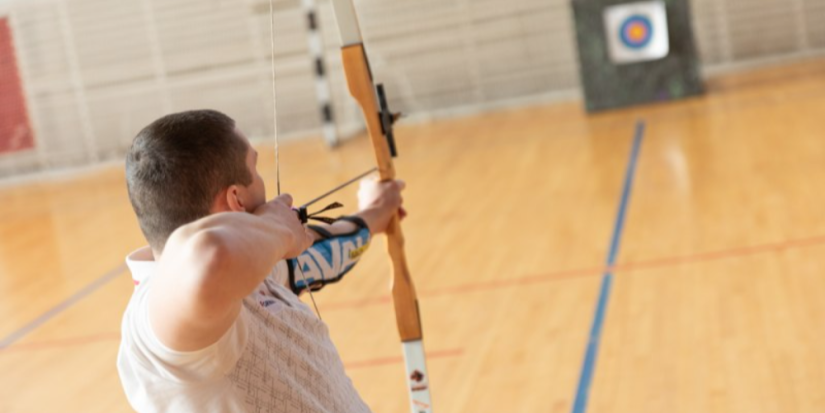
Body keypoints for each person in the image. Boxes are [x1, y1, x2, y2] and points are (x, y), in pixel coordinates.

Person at [117, 109, 405, 412]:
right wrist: (278, 229)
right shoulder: (155, 320)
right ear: (236, 199)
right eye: (255, 168)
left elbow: (318, 256)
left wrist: (374, 214)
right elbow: (212, 258)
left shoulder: (251, 269)